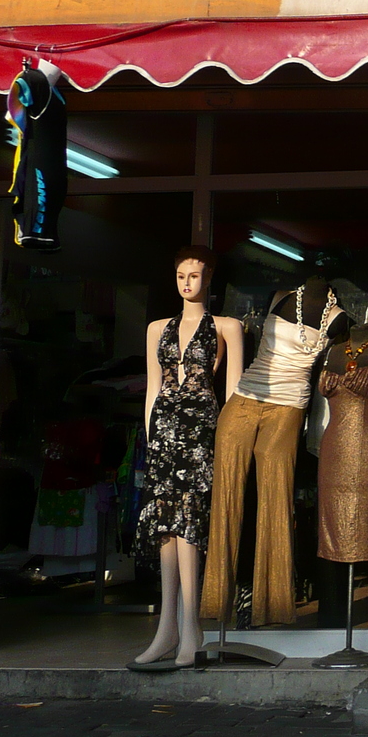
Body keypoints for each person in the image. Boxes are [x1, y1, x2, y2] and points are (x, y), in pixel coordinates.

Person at [129, 247, 243, 671]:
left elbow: (232, 391)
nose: (187, 283)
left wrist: (226, 443)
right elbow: (152, 388)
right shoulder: (157, 327)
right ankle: (168, 627)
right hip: (163, 432)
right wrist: (150, 435)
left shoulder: (228, 326)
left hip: (201, 430)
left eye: (194, 276)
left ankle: (190, 628)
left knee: (190, 523)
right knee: (164, 524)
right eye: (181, 276)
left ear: (208, 277)